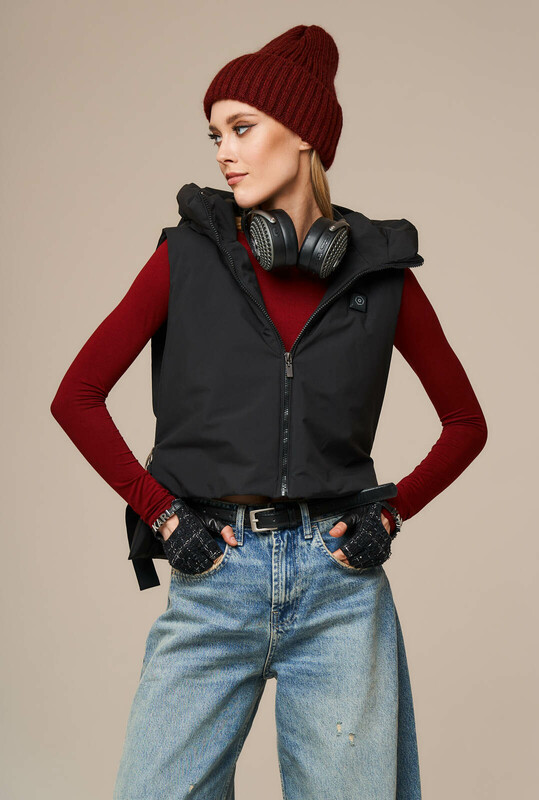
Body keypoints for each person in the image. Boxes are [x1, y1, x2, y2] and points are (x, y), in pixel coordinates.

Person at [50, 24, 487, 800]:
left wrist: (390, 513)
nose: (224, 151)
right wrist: (163, 517)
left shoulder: (380, 275)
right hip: (215, 573)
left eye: (242, 128)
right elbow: (76, 396)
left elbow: (465, 423)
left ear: (305, 136)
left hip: (339, 589)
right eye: (215, 134)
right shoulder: (188, 256)